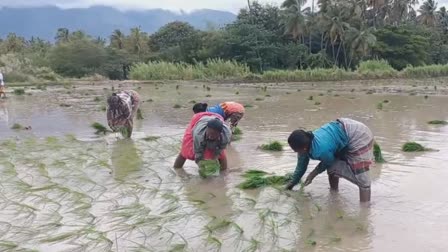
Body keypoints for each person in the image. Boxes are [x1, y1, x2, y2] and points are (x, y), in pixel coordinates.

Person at [286, 118, 374, 202]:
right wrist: (292, 183)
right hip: (343, 130)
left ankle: (365, 209)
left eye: (295, 150)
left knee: (362, 178)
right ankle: (334, 194)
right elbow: (301, 166)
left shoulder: (321, 150)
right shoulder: (305, 144)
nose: (294, 151)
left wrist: (313, 174)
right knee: (333, 167)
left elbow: (328, 162)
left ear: (304, 148)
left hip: (358, 135)